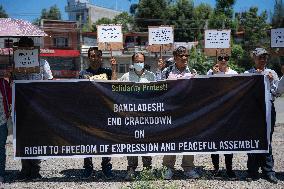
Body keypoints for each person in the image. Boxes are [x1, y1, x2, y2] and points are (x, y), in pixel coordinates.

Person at [14, 37, 53, 181]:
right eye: (21, 47)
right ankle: (25, 169)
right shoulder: (15, 63)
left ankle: (35, 169)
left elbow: (50, 82)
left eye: (27, 46)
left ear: (33, 48)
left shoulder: (43, 62)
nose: (24, 49)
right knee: (23, 138)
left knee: (36, 138)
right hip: (21, 107)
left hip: (38, 108)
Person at [161, 46, 200, 180]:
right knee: (171, 140)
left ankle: (188, 168)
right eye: (181, 55)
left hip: (188, 113)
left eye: (186, 55)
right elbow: (159, 90)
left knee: (188, 140)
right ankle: (168, 168)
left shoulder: (194, 72)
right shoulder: (166, 72)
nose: (184, 58)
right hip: (171, 113)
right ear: (175, 57)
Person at [78, 47, 117, 179]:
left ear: (101, 57)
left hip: (104, 111)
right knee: (87, 140)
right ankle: (88, 168)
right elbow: (79, 91)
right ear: (89, 58)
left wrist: (114, 68)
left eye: (97, 56)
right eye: (92, 56)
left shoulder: (107, 71)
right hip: (88, 112)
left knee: (106, 139)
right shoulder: (83, 73)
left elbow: (114, 86)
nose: (94, 58)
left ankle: (106, 167)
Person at [119, 52, 156, 180]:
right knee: (132, 143)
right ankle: (131, 169)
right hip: (131, 117)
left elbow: (159, 93)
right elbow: (114, 92)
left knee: (146, 142)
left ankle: (147, 169)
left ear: (144, 62)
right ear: (132, 62)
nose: (139, 63)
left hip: (147, 117)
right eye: (136, 61)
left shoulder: (152, 76)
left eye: (141, 61)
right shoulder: (125, 76)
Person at [245, 48, 279, 184]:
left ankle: (268, 171)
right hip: (253, 110)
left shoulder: (272, 73)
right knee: (253, 139)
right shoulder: (247, 73)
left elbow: (277, 92)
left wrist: (271, 82)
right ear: (254, 58)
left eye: (265, 57)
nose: (263, 60)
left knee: (267, 139)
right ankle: (252, 171)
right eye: (260, 57)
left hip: (269, 108)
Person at [207, 52, 237, 179]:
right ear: (217, 59)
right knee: (215, 141)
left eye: (226, 58)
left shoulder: (234, 73)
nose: (223, 60)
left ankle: (229, 169)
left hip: (229, 112)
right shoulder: (210, 73)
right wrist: (215, 74)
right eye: (220, 58)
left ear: (228, 60)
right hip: (214, 112)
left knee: (228, 141)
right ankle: (216, 169)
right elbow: (207, 89)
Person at [0, 78, 11, 186]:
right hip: (2, 121)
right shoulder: (3, 83)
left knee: (0, 148)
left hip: (2, 121)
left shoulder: (3, 83)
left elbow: (10, 98)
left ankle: (0, 174)